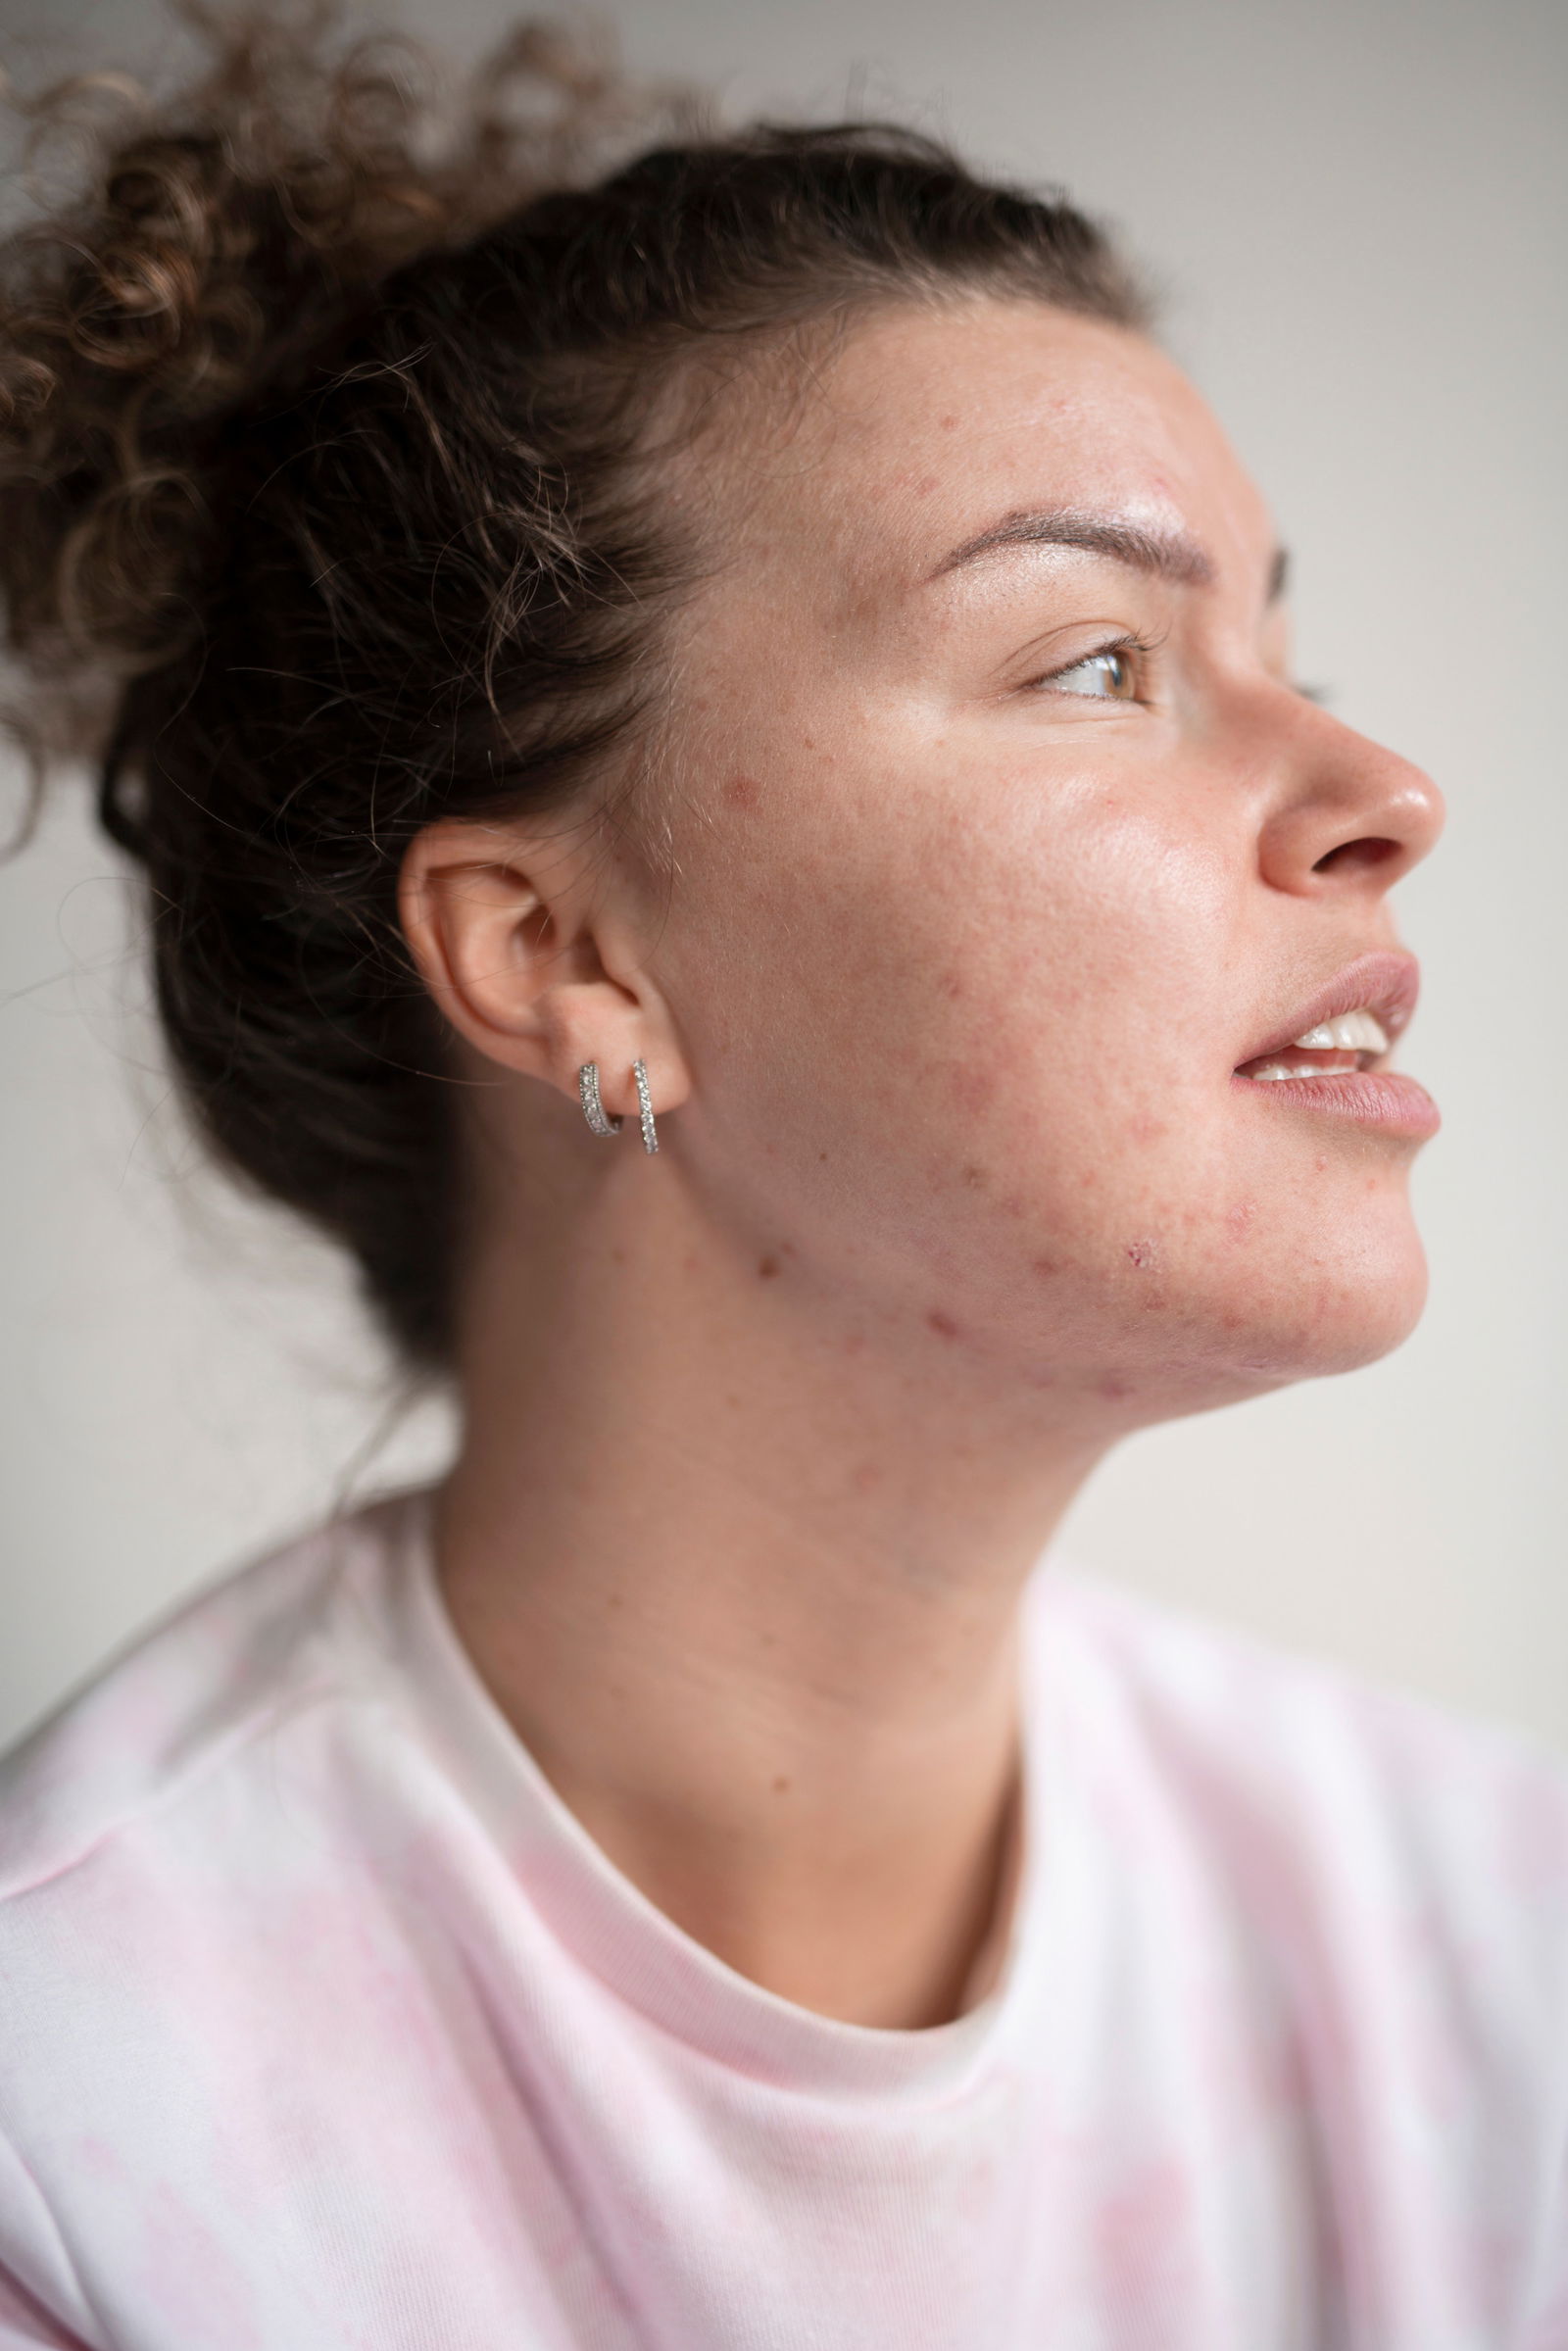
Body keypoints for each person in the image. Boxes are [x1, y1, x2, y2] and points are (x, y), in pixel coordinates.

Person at [0, 11, 1563, 2347]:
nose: (1382, 791)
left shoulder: (1491, 1962)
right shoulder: (76, 2119)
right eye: (1094, 662)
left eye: (1285, 649)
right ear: (564, 960)